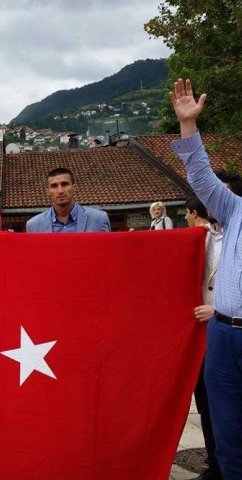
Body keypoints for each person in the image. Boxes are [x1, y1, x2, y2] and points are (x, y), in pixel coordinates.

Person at [169, 77, 242, 478]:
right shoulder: (235, 210)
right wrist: (188, 127)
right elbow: (202, 178)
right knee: (228, 437)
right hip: (224, 336)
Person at [184, 195, 222, 480]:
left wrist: (218, 309)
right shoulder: (200, 240)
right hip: (201, 334)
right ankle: (215, 462)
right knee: (206, 402)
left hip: (229, 330)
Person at [25, 167, 111, 233]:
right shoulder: (33, 225)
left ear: (74, 188)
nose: (60, 191)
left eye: (65, 184)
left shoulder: (99, 219)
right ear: (48, 191)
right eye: (54, 186)